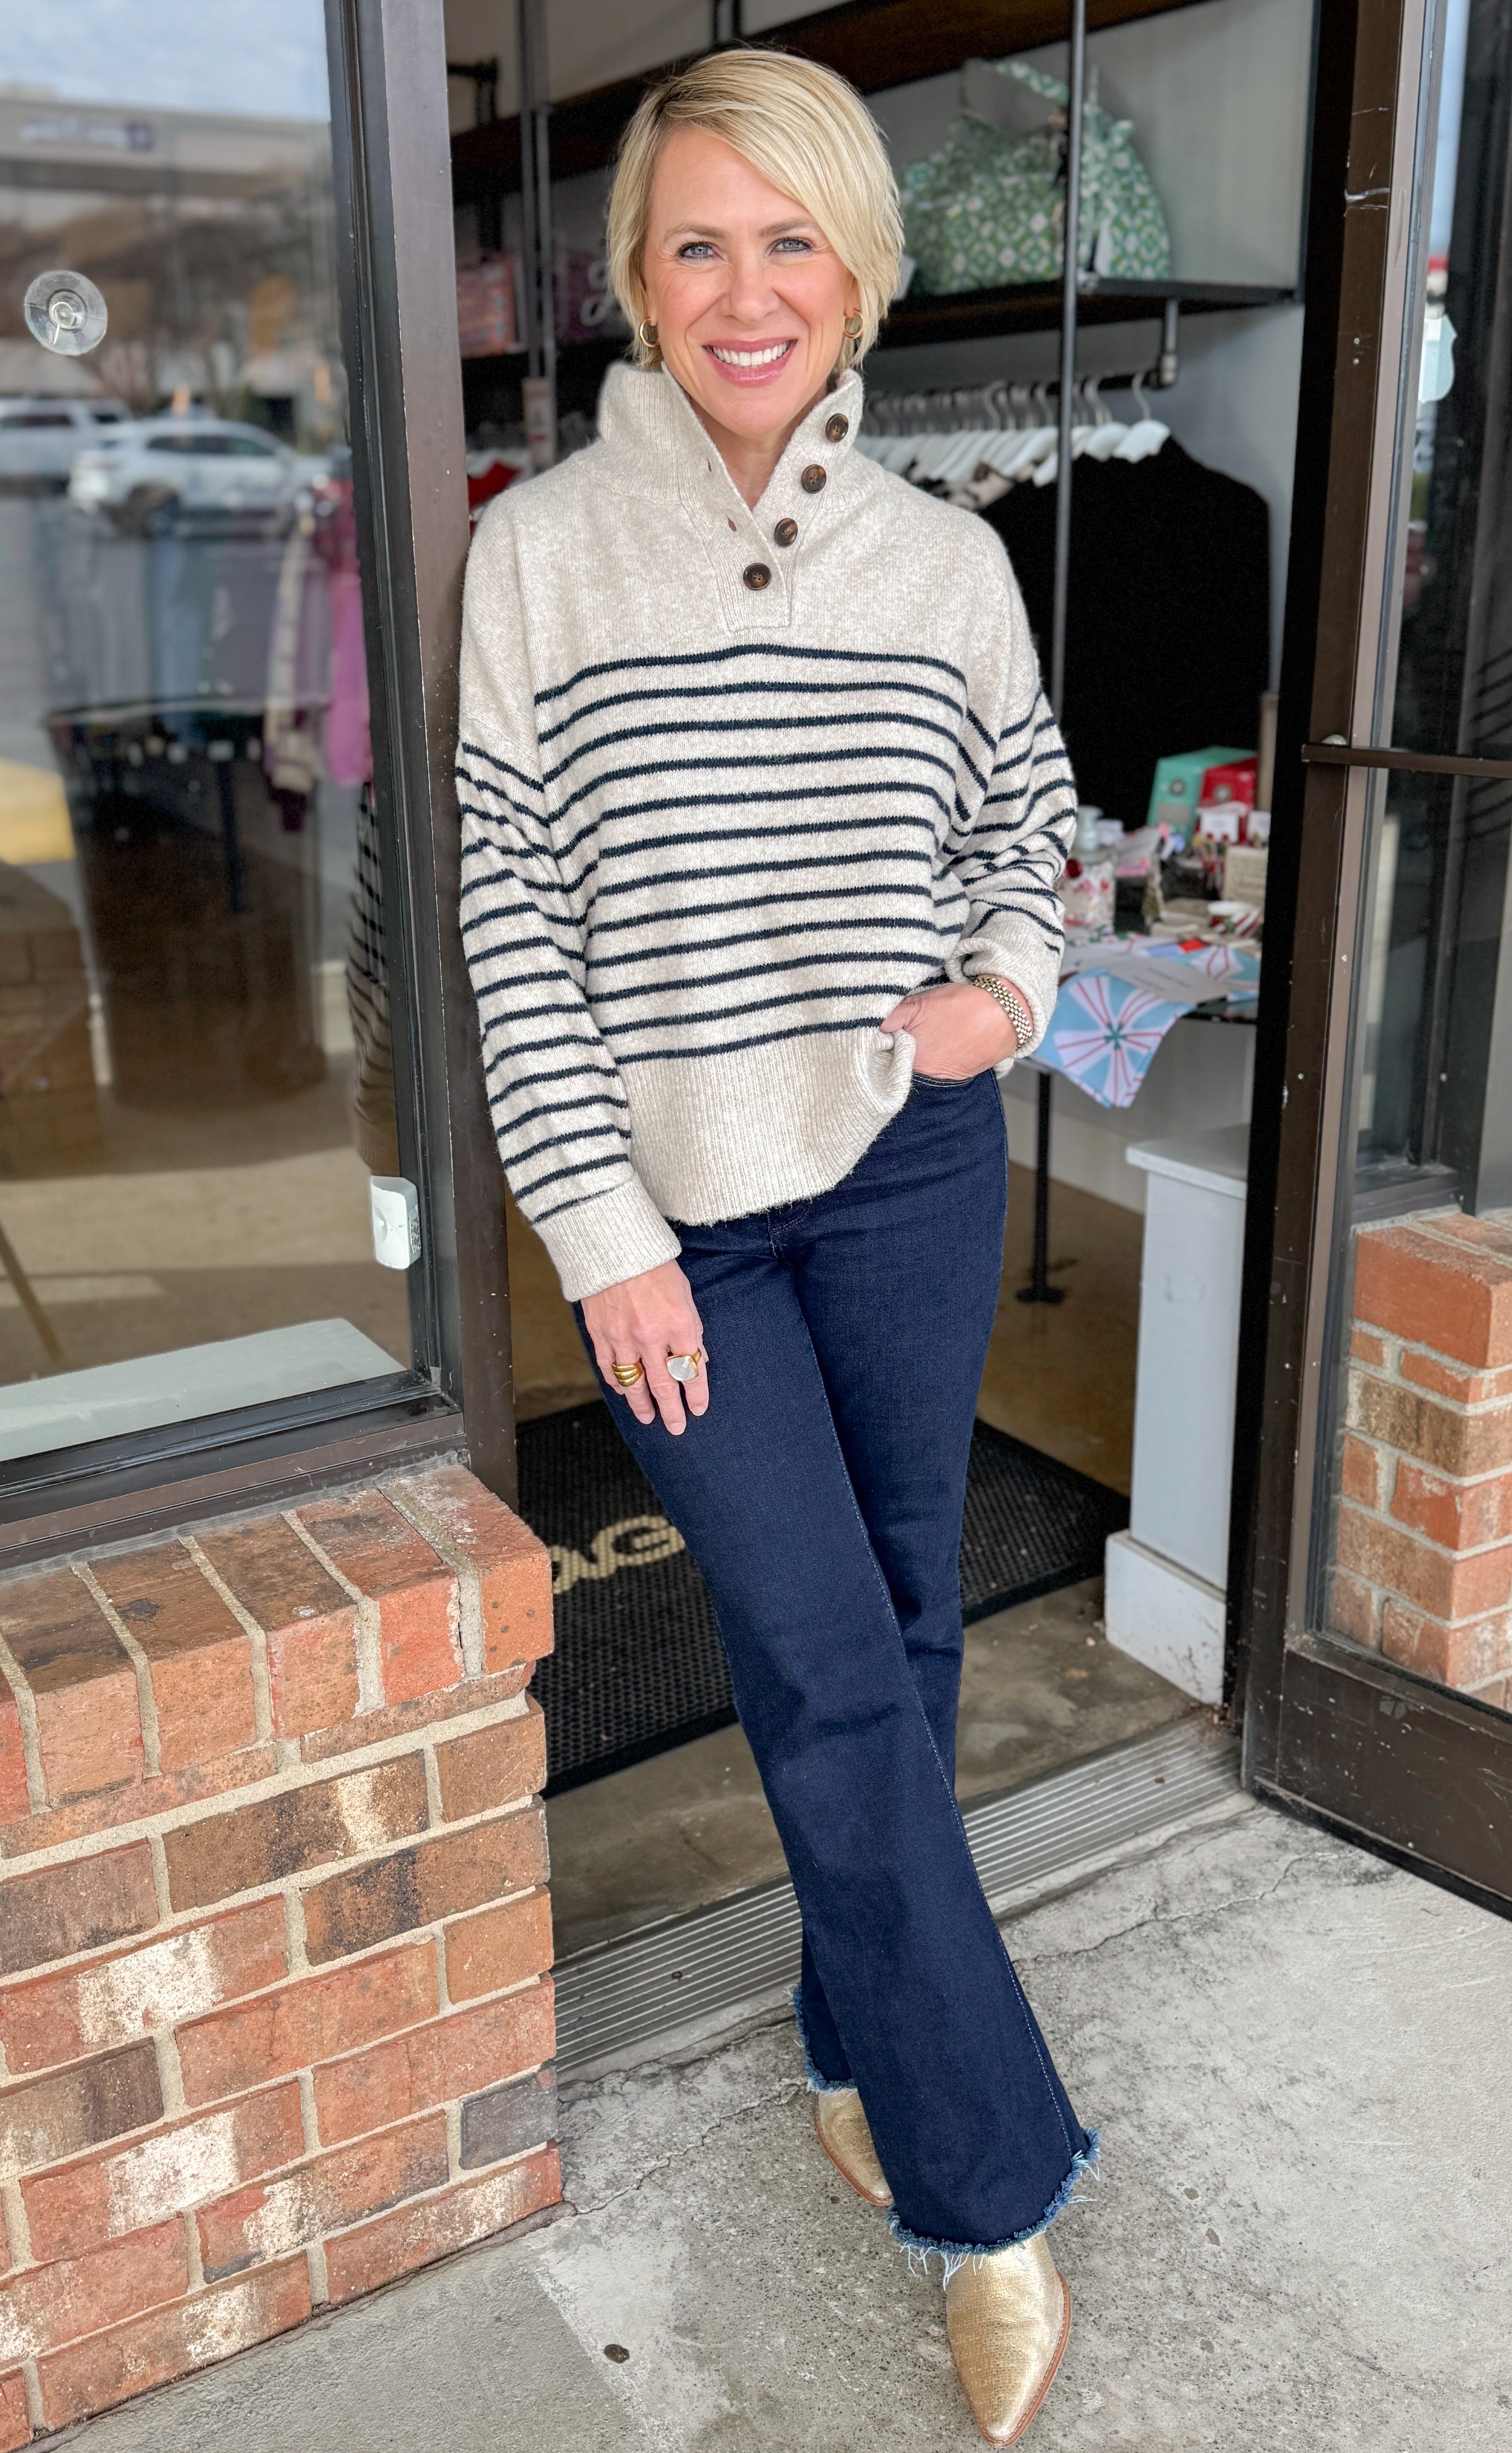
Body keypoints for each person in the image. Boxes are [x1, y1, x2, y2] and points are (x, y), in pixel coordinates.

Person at [457, 47, 1093, 2446]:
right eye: (698, 241)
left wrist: (997, 997)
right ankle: (987, 2184)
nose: (747, 290)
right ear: (635, 271)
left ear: (859, 271)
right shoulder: (536, 552)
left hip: (907, 1175)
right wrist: (598, 1231)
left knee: (905, 1631)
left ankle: (855, 2030)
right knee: (824, 1668)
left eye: (791, 239)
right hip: (672, 1228)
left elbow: (1026, 830)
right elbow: (509, 927)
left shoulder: (947, 562)